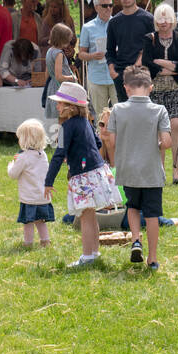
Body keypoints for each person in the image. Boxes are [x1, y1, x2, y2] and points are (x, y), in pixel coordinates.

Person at [45, 82, 123, 268]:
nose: (57, 106)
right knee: (91, 216)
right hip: (96, 171)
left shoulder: (66, 127)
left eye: (60, 103)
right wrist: (80, 152)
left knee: (86, 218)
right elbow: (96, 143)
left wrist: (48, 181)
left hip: (83, 177)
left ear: (70, 107)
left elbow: (58, 155)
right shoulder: (86, 122)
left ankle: (87, 256)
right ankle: (94, 252)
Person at [103, 66, 172, 270]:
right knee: (152, 215)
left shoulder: (117, 110)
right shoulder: (159, 110)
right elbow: (167, 142)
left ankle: (135, 239)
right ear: (150, 87)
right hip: (151, 171)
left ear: (126, 88)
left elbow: (112, 142)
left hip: (127, 169)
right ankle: (152, 257)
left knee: (132, 207)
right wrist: (156, 144)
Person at [140, 3, 178, 184]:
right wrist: (173, 67)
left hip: (177, 89)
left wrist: (161, 63)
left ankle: (176, 170)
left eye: (166, 18)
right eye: (159, 19)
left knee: (177, 125)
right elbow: (147, 63)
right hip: (156, 90)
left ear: (172, 20)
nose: (163, 22)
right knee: (158, 129)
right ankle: (159, 170)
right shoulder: (149, 38)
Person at [105, 0, 154, 102]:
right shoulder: (114, 22)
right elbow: (110, 50)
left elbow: (154, 46)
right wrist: (112, 71)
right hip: (121, 74)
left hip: (142, 73)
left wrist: (141, 60)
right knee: (124, 115)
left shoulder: (147, 19)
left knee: (143, 113)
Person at [8, 118, 54, 248]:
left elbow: (13, 174)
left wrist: (12, 164)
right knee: (40, 221)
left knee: (28, 222)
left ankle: (28, 243)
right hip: (42, 196)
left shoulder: (23, 157)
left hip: (29, 198)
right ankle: (45, 241)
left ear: (24, 139)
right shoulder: (42, 154)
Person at [78, 0, 117, 120]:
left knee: (119, 114)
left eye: (110, 5)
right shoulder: (88, 28)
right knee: (101, 116)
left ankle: (120, 140)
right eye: (104, 5)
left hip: (116, 75)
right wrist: (92, 55)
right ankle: (102, 140)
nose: (108, 8)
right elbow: (81, 54)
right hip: (97, 76)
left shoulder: (118, 23)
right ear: (96, 8)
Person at [43, 23, 77, 126]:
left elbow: (47, 73)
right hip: (61, 88)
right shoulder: (59, 54)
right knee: (66, 117)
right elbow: (59, 76)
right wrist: (72, 78)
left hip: (53, 86)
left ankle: (61, 139)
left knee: (61, 119)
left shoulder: (49, 51)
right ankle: (64, 139)